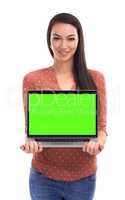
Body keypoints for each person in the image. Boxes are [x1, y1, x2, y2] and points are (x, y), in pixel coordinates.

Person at [20, 12, 107, 200]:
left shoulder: (96, 79)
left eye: (70, 38)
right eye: (56, 38)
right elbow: (31, 130)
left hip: (84, 178)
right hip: (43, 178)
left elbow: (101, 127)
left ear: (79, 41)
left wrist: (98, 143)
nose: (63, 45)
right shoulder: (32, 79)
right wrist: (30, 143)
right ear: (49, 41)